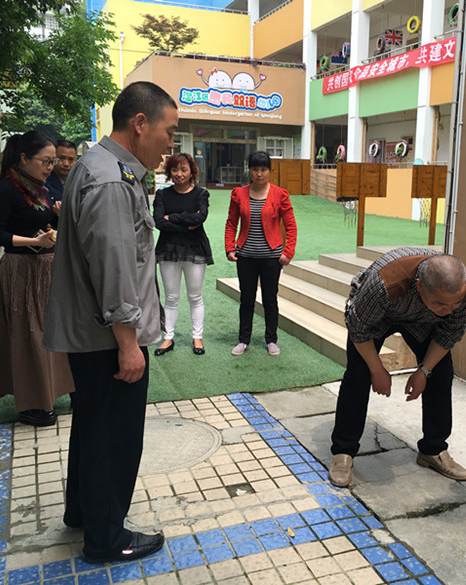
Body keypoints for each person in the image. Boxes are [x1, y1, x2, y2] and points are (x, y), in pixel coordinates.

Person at [42, 81, 179, 563]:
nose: (170, 144)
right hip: (108, 339)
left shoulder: (96, 165)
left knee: (93, 427)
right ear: (140, 124)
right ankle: (106, 538)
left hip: (92, 334)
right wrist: (128, 344)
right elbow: (114, 268)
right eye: (168, 131)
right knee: (114, 437)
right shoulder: (111, 181)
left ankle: (84, 513)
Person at [328, 248, 466, 487]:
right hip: (378, 316)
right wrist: (377, 369)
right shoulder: (383, 284)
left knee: (441, 373)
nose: (450, 310)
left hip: (425, 321)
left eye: (455, 303)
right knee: (358, 374)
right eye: (441, 303)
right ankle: (343, 451)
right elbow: (359, 328)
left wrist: (423, 371)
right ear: (420, 287)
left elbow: (449, 334)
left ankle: (433, 450)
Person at [0, 130, 74, 427]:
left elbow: (41, 223)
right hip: (20, 270)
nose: (50, 167)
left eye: (53, 161)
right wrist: (32, 241)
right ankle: (34, 404)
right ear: (24, 158)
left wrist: (56, 217)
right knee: (30, 335)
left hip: (46, 267)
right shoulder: (6, 189)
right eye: (46, 161)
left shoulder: (39, 188)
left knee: (53, 330)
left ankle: (59, 391)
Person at [224, 151, 297, 356]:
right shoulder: (239, 194)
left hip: (271, 258)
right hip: (245, 257)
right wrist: (230, 247)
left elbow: (291, 226)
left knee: (270, 300)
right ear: (249, 170)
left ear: (269, 171)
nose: (259, 173)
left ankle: (271, 340)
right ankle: (243, 340)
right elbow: (231, 223)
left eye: (263, 169)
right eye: (255, 169)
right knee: (246, 299)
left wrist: (288, 252)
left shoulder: (280, 195)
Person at [152, 153, 213, 356]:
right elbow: (159, 222)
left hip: (195, 249)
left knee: (195, 296)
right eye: (175, 169)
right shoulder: (162, 195)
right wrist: (187, 225)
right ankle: (168, 338)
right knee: (171, 297)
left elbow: (201, 217)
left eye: (184, 169)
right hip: (168, 249)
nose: (179, 174)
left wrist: (172, 218)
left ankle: (197, 337)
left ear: (191, 172)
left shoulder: (201, 194)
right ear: (169, 172)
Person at [44, 139, 77, 206]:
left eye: (71, 159)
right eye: (61, 158)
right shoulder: (44, 182)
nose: (66, 164)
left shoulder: (80, 182)